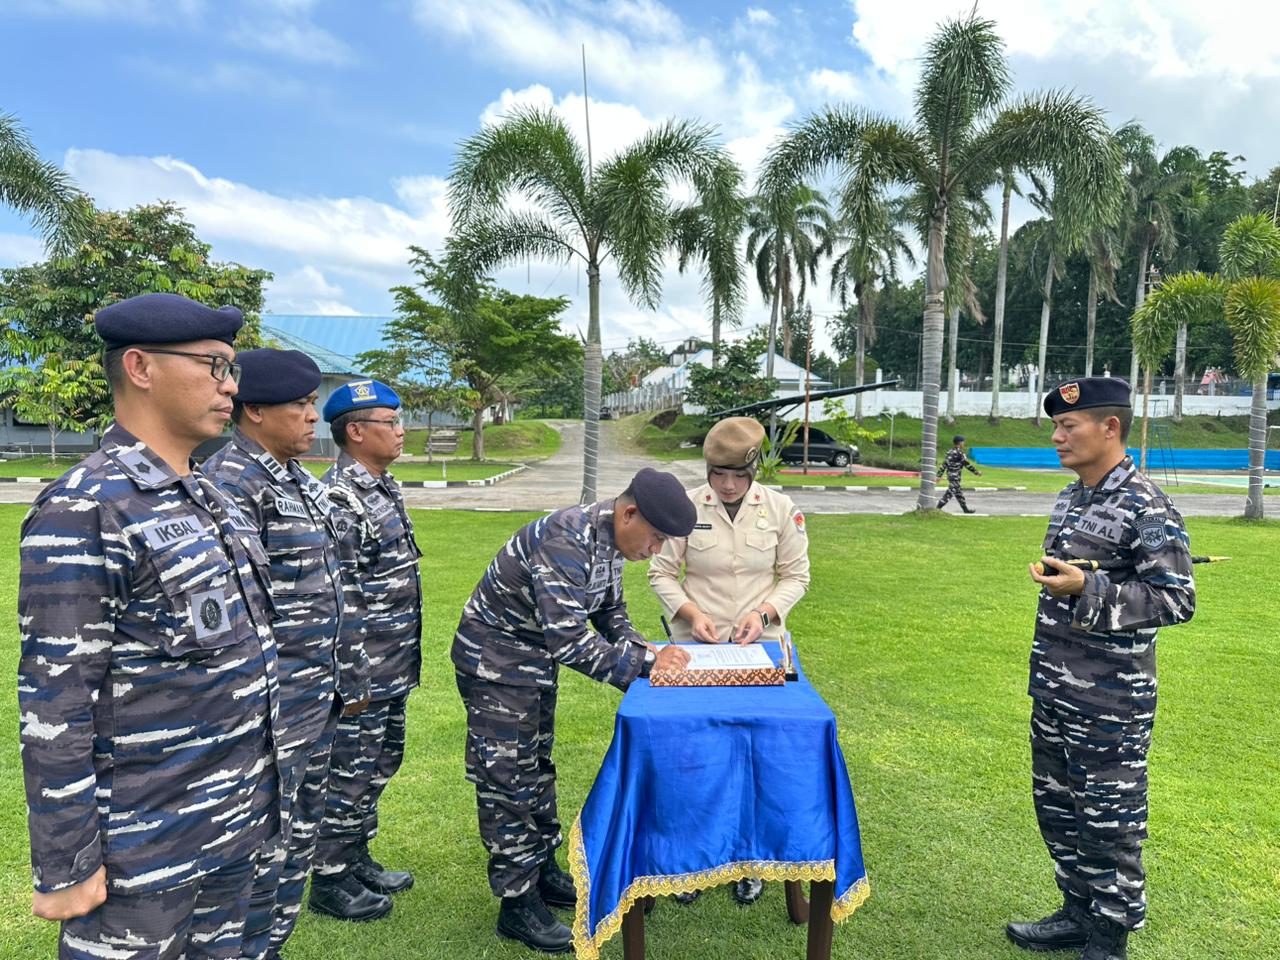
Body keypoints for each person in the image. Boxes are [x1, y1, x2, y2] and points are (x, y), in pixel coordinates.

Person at [18, 292, 281, 960]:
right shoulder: (86, 507)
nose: (229, 386)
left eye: (232, 371)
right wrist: (67, 864)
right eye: (212, 365)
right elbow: (58, 697)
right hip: (143, 848)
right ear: (140, 367)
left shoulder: (210, 495)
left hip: (232, 822)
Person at [452, 468, 695, 954]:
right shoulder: (568, 538)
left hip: (529, 664)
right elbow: (569, 641)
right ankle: (516, 904)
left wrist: (638, 648)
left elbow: (610, 612)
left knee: (536, 770)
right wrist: (648, 664)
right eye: (657, 537)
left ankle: (540, 872)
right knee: (506, 778)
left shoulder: (611, 538)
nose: (658, 550)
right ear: (629, 514)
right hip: (496, 663)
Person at [1007, 378, 1195, 960]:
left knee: (1110, 818)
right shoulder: (1073, 497)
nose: (1058, 436)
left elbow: (1176, 599)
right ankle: (1077, 912)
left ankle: (1110, 936)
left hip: (1113, 698)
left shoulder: (1146, 502)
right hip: (1057, 687)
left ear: (1109, 428)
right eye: (1058, 427)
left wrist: (1090, 586)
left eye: (1070, 426)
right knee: (1059, 806)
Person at [203, 349, 368, 958]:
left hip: (313, 704)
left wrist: (347, 679)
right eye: (298, 405)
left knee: (294, 849)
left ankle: (271, 945)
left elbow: (328, 588)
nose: (310, 417)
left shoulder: (296, 478)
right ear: (254, 411)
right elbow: (244, 614)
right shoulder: (231, 485)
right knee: (253, 857)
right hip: (267, 717)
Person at [648, 416, 811, 905]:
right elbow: (660, 571)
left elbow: (796, 576)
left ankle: (752, 859)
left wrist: (764, 613)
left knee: (754, 754)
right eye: (718, 475)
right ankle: (689, 860)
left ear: (754, 469)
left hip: (759, 651)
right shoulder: (687, 507)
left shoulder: (781, 508)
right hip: (694, 650)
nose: (727, 486)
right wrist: (690, 611)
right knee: (692, 754)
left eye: (737, 476)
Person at [310, 380, 421, 921]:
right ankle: (330, 878)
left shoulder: (381, 486)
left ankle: (355, 854)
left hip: (391, 664)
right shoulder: (338, 499)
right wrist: (351, 678)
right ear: (355, 432)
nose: (402, 430)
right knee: (349, 769)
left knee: (379, 762)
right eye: (390, 422)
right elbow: (340, 597)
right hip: (362, 671)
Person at [936, 434, 981, 513]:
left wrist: (939, 475)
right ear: (960, 443)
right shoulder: (960, 453)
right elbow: (966, 464)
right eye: (963, 442)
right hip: (955, 476)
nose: (964, 444)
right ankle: (937, 509)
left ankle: (965, 509)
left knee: (958, 493)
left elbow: (944, 464)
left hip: (950, 475)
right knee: (949, 493)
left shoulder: (949, 452)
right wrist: (976, 472)